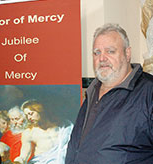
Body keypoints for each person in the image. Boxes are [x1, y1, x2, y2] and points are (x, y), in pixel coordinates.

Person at [65, 23, 153, 164]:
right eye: (97, 52)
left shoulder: (148, 92)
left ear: (127, 53)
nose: (102, 58)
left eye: (110, 51)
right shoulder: (92, 91)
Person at [14, 99, 73, 164]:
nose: (29, 118)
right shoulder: (29, 132)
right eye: (26, 115)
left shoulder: (63, 126)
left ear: (39, 110)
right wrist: (18, 161)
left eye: (30, 114)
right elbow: (24, 156)